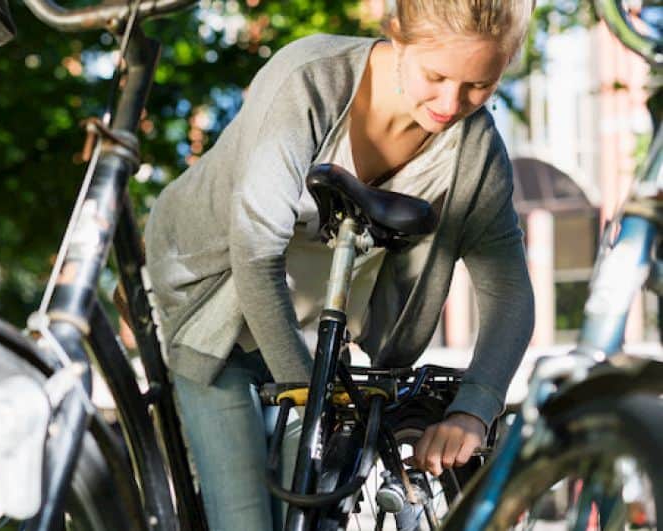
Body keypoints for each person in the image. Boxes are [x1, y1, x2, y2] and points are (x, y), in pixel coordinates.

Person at [143, 1, 535, 529]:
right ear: (397, 36)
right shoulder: (309, 80)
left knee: (312, 513)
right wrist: (309, 400)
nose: (450, 103)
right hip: (216, 310)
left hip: (319, 338)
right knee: (246, 519)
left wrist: (474, 409)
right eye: (436, 76)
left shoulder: (475, 150)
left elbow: (509, 293)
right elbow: (255, 251)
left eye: (479, 85)